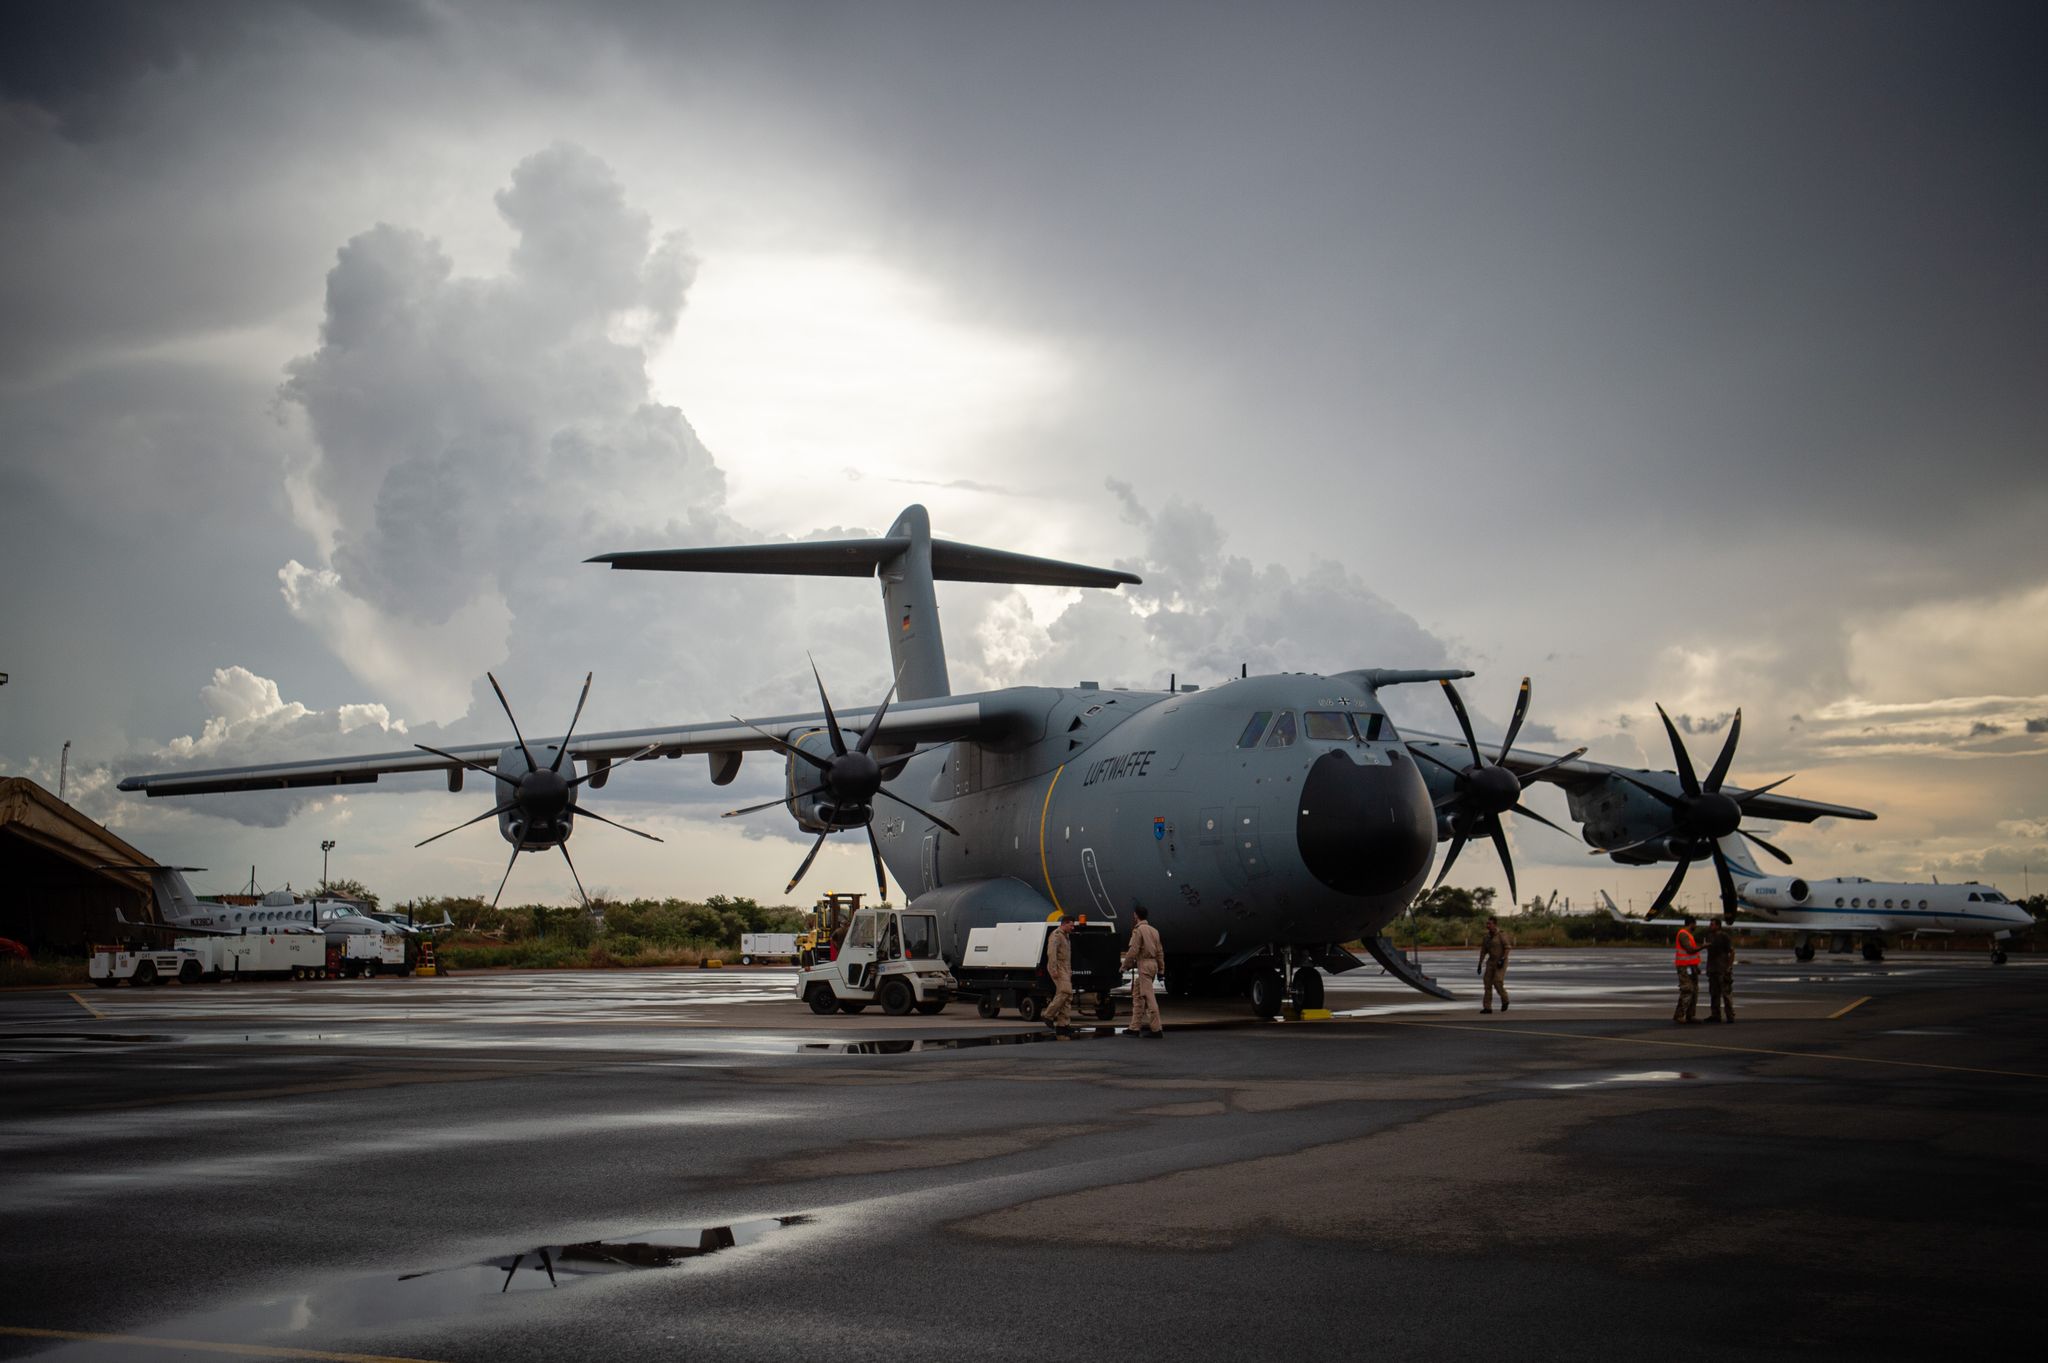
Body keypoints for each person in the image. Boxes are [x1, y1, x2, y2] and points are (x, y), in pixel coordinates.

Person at [1121, 906, 1166, 1038]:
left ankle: (1156, 1029)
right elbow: (1160, 952)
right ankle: (1134, 1027)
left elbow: (1133, 950)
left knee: (1148, 997)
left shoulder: (1138, 930)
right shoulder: (1154, 931)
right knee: (1137, 993)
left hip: (1144, 964)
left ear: (1135, 915)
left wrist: (1125, 966)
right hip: (1153, 965)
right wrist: (1161, 970)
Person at [1043, 914, 1077, 1038]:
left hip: (1065, 968)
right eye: (1071, 925)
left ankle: (1063, 1025)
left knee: (1068, 996)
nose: (1072, 928)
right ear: (1064, 924)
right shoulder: (1056, 935)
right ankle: (1048, 1015)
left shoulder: (1066, 936)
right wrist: (1053, 969)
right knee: (1064, 992)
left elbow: (1067, 955)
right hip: (1058, 967)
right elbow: (1051, 953)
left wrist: (1069, 970)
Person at [1705, 916, 1736, 1023]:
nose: (1710, 926)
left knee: (1726, 994)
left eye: (1712, 924)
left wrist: (1729, 967)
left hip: (1722, 969)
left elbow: (1732, 952)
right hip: (1712, 969)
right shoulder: (1709, 936)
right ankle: (1715, 1015)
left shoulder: (1724, 936)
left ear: (1718, 926)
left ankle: (1730, 1015)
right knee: (1714, 994)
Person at [1478, 916, 1511, 1014]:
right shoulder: (1486, 937)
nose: (1487, 926)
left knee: (1497, 982)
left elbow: (1507, 948)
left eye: (1490, 924)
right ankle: (1487, 1007)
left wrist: (1502, 959)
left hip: (1501, 961)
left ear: (1495, 924)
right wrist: (1480, 963)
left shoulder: (1501, 935)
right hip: (1491, 962)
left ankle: (1505, 1000)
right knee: (1487, 983)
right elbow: (1483, 951)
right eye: (1487, 924)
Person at [1673, 914, 1702, 1024]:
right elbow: (1690, 950)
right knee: (1687, 989)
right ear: (1692, 924)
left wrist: (1696, 967)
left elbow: (1691, 955)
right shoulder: (1683, 934)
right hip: (1684, 967)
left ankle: (1690, 1015)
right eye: (1695, 924)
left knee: (1694, 991)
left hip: (1691, 967)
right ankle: (1679, 1015)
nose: (1696, 926)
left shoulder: (1689, 935)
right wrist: (1703, 946)